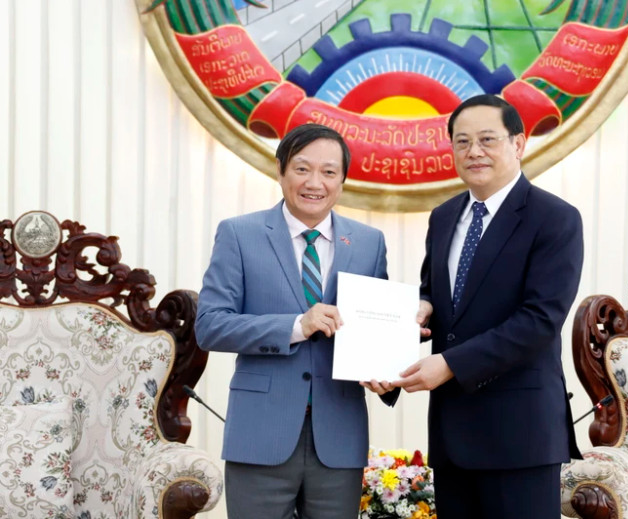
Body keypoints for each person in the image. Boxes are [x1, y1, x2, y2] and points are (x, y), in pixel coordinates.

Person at [394, 94, 584, 518]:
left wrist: (450, 364)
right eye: (462, 142)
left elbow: (540, 321)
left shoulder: (555, 218)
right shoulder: (443, 217)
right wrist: (422, 308)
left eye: (486, 139)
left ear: (518, 144)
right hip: (451, 434)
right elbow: (438, 293)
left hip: (520, 433)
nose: (473, 152)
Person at [195, 123, 398, 519]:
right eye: (302, 169)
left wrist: (387, 371)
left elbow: (376, 328)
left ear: (342, 180)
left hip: (339, 436)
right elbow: (210, 325)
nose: (314, 183)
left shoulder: (369, 242)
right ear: (281, 170)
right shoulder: (239, 234)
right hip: (260, 433)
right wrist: (295, 326)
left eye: (328, 172)